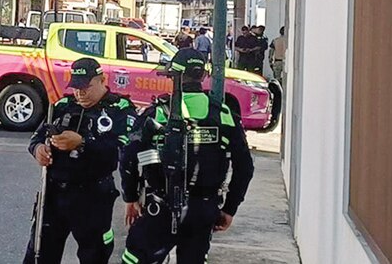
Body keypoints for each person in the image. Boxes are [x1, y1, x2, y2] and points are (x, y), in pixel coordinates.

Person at [119, 48, 255, 264]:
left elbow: (128, 157)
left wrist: (131, 197)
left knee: (135, 258)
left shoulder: (157, 113)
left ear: (172, 75)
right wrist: (229, 209)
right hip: (203, 210)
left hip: (159, 208)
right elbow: (245, 167)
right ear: (203, 75)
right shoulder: (222, 114)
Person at [24, 57, 137, 264]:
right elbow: (37, 137)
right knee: (39, 254)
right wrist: (38, 149)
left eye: (86, 87)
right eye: (76, 87)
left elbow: (123, 149)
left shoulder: (120, 109)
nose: (80, 93)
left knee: (94, 255)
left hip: (92, 196)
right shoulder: (63, 105)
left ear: (103, 80)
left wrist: (83, 143)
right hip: (54, 194)